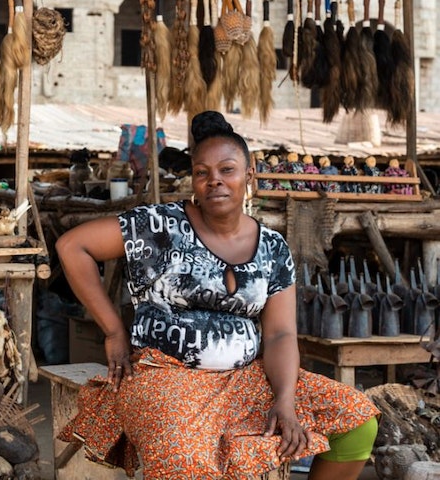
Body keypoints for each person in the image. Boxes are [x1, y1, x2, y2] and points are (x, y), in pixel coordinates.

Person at [55, 111, 379, 479]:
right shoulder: (158, 226)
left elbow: (280, 334)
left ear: (248, 176)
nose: (215, 182)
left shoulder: (272, 247)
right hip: (165, 377)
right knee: (185, 460)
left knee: (357, 421)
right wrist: (113, 331)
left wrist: (284, 401)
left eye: (227, 170)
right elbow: (72, 246)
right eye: (202, 173)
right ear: (193, 179)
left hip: (245, 380)